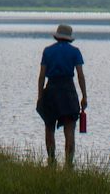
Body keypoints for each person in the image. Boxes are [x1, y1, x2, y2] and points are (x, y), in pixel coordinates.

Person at [37, 24, 87, 167]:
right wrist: (84, 96)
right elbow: (80, 75)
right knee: (69, 129)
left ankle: (51, 161)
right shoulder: (75, 52)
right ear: (69, 38)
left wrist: (40, 96)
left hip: (51, 89)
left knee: (49, 127)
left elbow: (41, 76)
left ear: (57, 36)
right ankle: (68, 165)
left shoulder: (47, 51)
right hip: (68, 90)